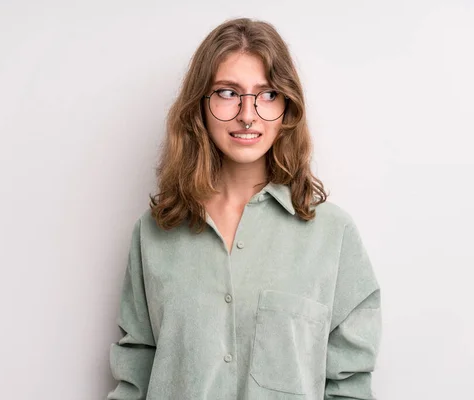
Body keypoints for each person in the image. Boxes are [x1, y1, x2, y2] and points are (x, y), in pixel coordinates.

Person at [106, 17, 381, 400]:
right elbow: (135, 373)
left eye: (267, 94)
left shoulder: (333, 236)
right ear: (199, 106)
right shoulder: (153, 233)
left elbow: (349, 383)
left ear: (288, 107)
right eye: (227, 93)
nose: (248, 114)